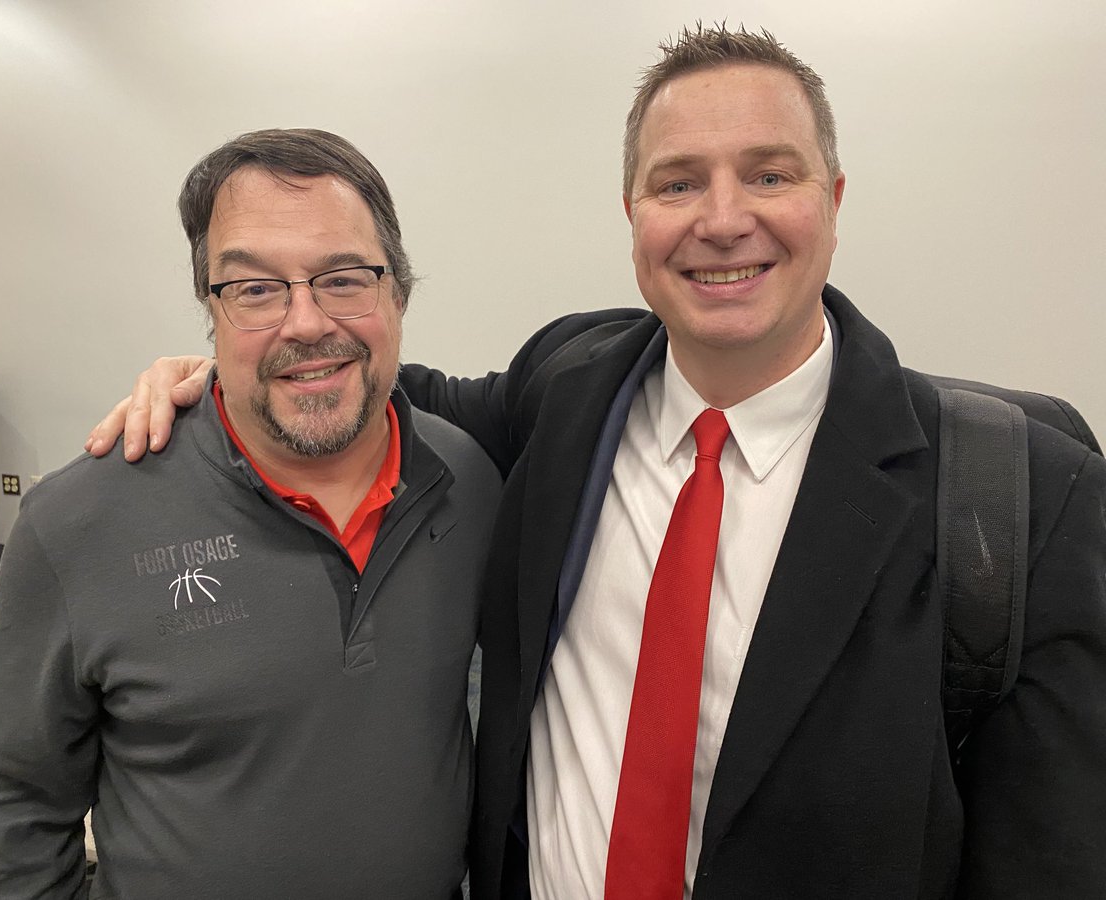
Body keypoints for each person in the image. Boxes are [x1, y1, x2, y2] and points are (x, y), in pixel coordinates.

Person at [87, 26, 1106, 900]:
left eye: (768, 172)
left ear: (832, 199)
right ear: (633, 216)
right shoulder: (565, 386)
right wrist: (223, 366)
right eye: (677, 182)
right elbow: (384, 387)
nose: (720, 217)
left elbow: (1052, 862)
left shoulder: (1018, 498)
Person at [0, 128, 501, 900]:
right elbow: (13, 798)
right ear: (210, 313)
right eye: (254, 289)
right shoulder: (78, 523)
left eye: (343, 277)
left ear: (398, 292)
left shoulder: (469, 483)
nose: (305, 322)